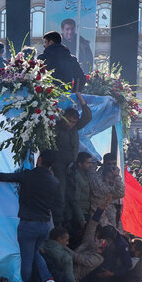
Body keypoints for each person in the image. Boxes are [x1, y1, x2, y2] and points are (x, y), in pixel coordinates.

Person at [0, 150, 59, 282]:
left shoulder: (29, 175)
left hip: (29, 224)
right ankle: (47, 278)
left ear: (40, 159)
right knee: (35, 253)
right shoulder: (55, 182)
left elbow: (7, 177)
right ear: (53, 165)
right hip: (45, 225)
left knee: (27, 259)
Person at [51, 95, 91, 227]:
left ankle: (69, 221)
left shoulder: (74, 128)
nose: (70, 124)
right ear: (62, 118)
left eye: (74, 122)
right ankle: (58, 223)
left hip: (71, 166)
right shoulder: (55, 128)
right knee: (60, 195)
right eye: (68, 120)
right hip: (59, 166)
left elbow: (87, 117)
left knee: (72, 194)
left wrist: (81, 99)